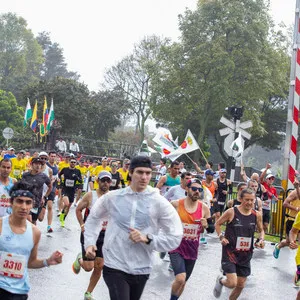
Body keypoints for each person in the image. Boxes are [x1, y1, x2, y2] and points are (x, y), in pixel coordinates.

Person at [84, 156, 183, 300]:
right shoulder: (113, 197)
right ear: (130, 173)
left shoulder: (158, 202)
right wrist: (90, 243)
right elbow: (94, 218)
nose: (144, 177)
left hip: (141, 267)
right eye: (140, 172)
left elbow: (175, 235)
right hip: (114, 264)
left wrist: (148, 239)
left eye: (148, 173)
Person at [0, 180, 63, 299]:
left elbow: (30, 262)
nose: (24, 207)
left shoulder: (35, 232)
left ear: (32, 205)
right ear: (11, 202)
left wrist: (48, 261)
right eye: (19, 201)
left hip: (19, 292)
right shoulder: (1, 226)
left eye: (28, 202)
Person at [213, 188, 264, 299]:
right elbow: (217, 224)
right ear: (241, 199)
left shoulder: (257, 215)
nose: (250, 203)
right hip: (230, 252)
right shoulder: (232, 212)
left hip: (246, 254)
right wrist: (221, 237)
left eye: (252, 200)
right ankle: (221, 280)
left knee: (240, 285)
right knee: (232, 283)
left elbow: (261, 231)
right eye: (247, 200)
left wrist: (261, 240)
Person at [169, 178, 213, 300]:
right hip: (176, 246)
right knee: (180, 278)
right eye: (194, 189)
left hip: (192, 249)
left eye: (199, 190)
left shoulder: (204, 208)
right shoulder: (176, 204)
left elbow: (211, 229)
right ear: (187, 189)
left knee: (183, 282)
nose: (197, 192)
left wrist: (206, 225)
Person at [73, 171, 112, 300]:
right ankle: (80, 259)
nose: (105, 183)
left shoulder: (112, 197)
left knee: (99, 265)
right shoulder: (91, 195)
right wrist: (82, 225)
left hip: (105, 234)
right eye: (103, 180)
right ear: (98, 181)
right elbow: (78, 209)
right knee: (88, 267)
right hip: (90, 233)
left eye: (108, 181)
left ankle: (88, 293)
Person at [273, 179, 300, 259]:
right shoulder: (295, 192)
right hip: (292, 219)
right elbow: (285, 203)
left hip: (299, 220)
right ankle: (278, 246)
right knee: (289, 242)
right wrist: (296, 208)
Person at [22, 158, 52, 225]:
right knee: (29, 220)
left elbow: (50, 187)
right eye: (36, 164)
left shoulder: (43, 176)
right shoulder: (25, 175)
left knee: (34, 221)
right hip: (27, 202)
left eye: (39, 164)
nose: (38, 166)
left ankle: (33, 234)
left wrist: (45, 197)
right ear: (32, 164)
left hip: (37, 202)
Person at [58, 158, 82, 227]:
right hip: (65, 189)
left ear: (76, 163)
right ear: (69, 162)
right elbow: (59, 174)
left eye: (74, 162)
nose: (73, 163)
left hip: (72, 190)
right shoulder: (65, 169)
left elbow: (80, 180)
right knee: (66, 203)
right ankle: (62, 212)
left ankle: (63, 220)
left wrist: (77, 177)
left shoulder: (77, 171)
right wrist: (60, 179)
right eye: (72, 162)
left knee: (68, 206)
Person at [259, 163, 278, 232]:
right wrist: (266, 169)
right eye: (269, 178)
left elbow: (276, 199)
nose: (271, 180)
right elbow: (261, 178)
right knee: (259, 224)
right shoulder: (264, 184)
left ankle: (260, 238)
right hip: (261, 207)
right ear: (266, 180)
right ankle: (259, 237)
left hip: (268, 209)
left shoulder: (274, 189)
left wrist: (275, 198)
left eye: (272, 179)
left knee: (266, 225)